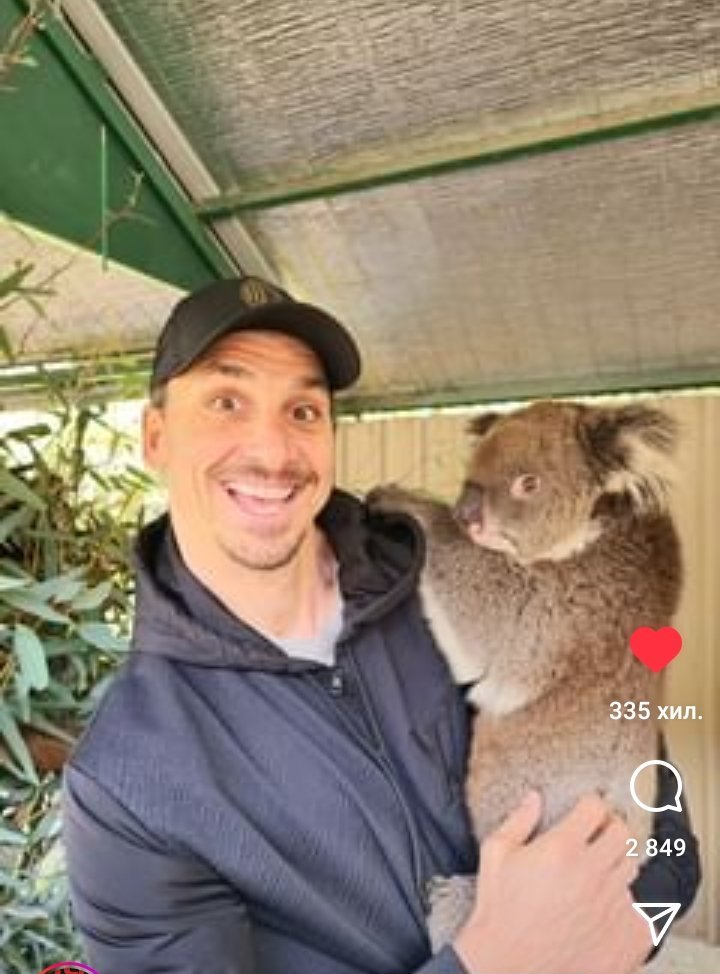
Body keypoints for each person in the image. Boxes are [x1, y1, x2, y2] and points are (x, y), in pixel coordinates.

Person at [62, 275, 700, 974]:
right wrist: (485, 964)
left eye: (303, 410)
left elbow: (672, 844)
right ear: (156, 437)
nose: (272, 451)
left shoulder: (451, 568)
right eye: (226, 402)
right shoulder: (128, 782)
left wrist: (632, 927)